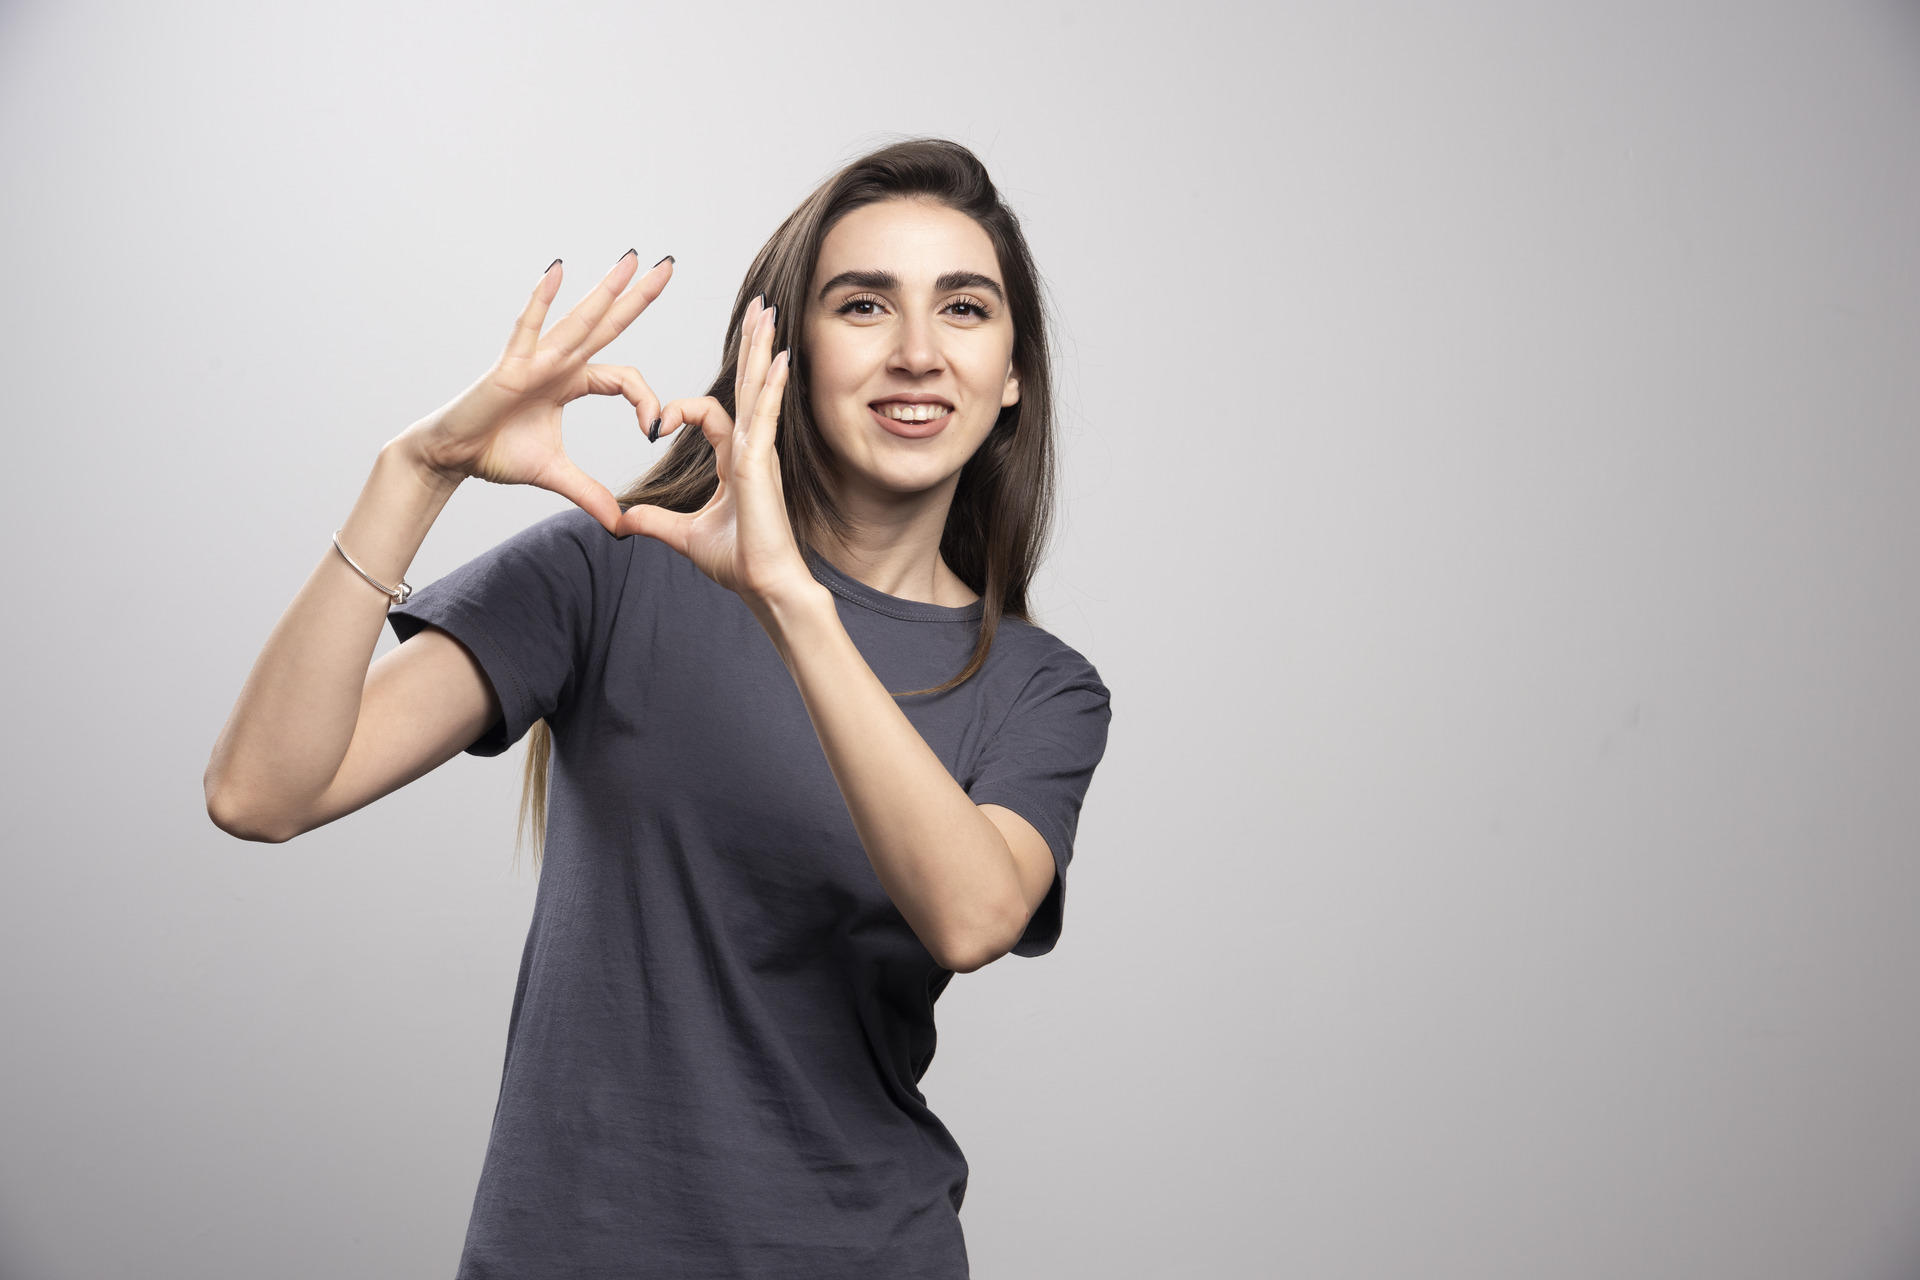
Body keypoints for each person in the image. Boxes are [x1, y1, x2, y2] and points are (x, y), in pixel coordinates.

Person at [203, 137, 1113, 1278]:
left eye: (965, 308)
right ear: (781, 350)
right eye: (864, 305)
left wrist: (790, 600)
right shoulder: (613, 569)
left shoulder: (1040, 687)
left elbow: (971, 917)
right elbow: (259, 792)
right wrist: (420, 469)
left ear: (1014, 371)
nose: (919, 353)